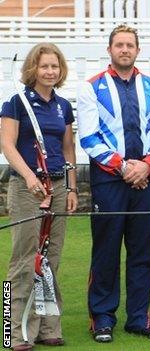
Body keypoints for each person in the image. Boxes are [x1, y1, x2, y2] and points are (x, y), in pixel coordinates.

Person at [76, 24, 150, 342]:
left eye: (130, 45)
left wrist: (147, 166)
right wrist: (125, 167)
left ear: (137, 50)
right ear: (110, 49)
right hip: (109, 182)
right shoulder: (91, 87)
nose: (125, 49)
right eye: (119, 45)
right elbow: (89, 137)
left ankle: (138, 317)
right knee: (107, 250)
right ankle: (103, 317)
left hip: (145, 180)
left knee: (144, 252)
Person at [1, 43, 77, 351]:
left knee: (50, 259)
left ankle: (47, 327)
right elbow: (7, 145)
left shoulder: (63, 105)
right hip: (26, 187)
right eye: (44, 66)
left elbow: (69, 148)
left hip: (58, 186)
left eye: (55, 66)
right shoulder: (15, 103)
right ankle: (15, 331)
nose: (50, 71)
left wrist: (72, 187)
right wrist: (31, 177)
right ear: (33, 69)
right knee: (23, 260)